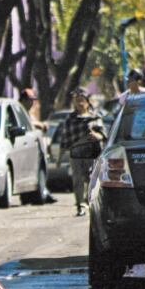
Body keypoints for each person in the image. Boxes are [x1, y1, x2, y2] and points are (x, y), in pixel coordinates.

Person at [56, 88, 105, 216]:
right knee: (77, 180)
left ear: (88, 102)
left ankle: (90, 201)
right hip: (76, 153)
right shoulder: (70, 119)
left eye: (82, 101)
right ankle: (80, 205)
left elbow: (104, 135)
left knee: (90, 178)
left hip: (92, 153)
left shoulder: (95, 117)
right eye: (77, 101)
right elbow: (65, 139)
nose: (80, 104)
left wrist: (97, 136)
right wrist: (59, 159)